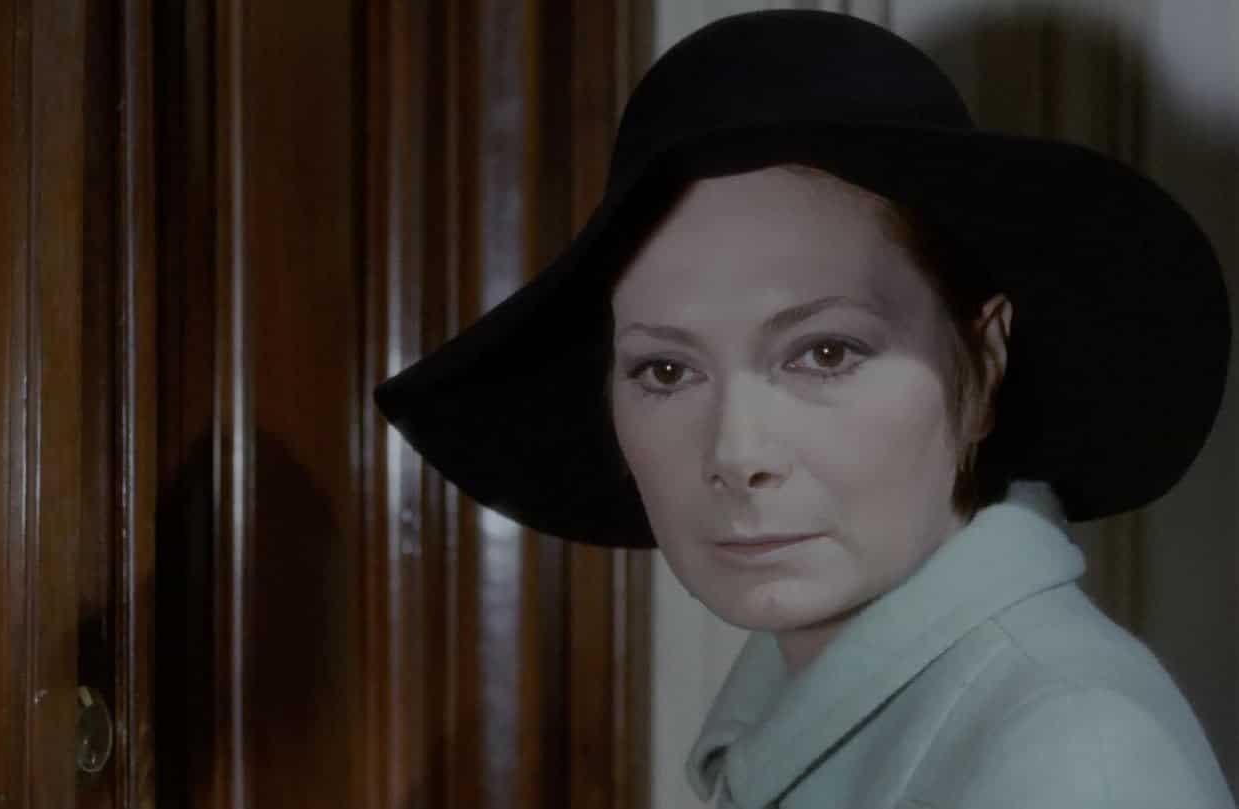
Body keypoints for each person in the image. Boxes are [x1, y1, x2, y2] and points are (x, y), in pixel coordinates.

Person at [374, 9, 1235, 808]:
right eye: (666, 369)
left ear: (984, 360)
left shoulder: (1070, 755)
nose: (737, 453)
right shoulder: (813, 706)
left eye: (826, 353)